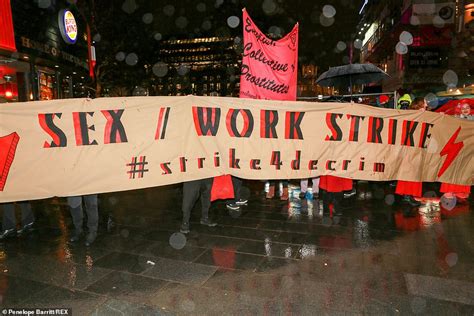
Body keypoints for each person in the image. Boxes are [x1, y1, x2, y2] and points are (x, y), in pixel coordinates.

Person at [395, 97, 427, 207]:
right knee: (410, 172)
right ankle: (407, 195)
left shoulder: (424, 115)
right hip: (410, 148)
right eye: (425, 103)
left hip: (418, 148)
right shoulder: (411, 115)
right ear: (419, 105)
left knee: (415, 172)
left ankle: (411, 195)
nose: (427, 104)